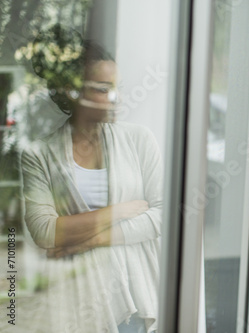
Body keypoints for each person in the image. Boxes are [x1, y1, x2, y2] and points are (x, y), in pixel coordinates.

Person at [21, 25, 162, 333]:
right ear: (72, 92)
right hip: (74, 302)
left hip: (134, 299)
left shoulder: (140, 140)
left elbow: (164, 216)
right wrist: (120, 212)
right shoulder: (39, 154)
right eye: (102, 88)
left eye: (118, 87)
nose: (116, 98)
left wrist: (90, 239)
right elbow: (46, 232)